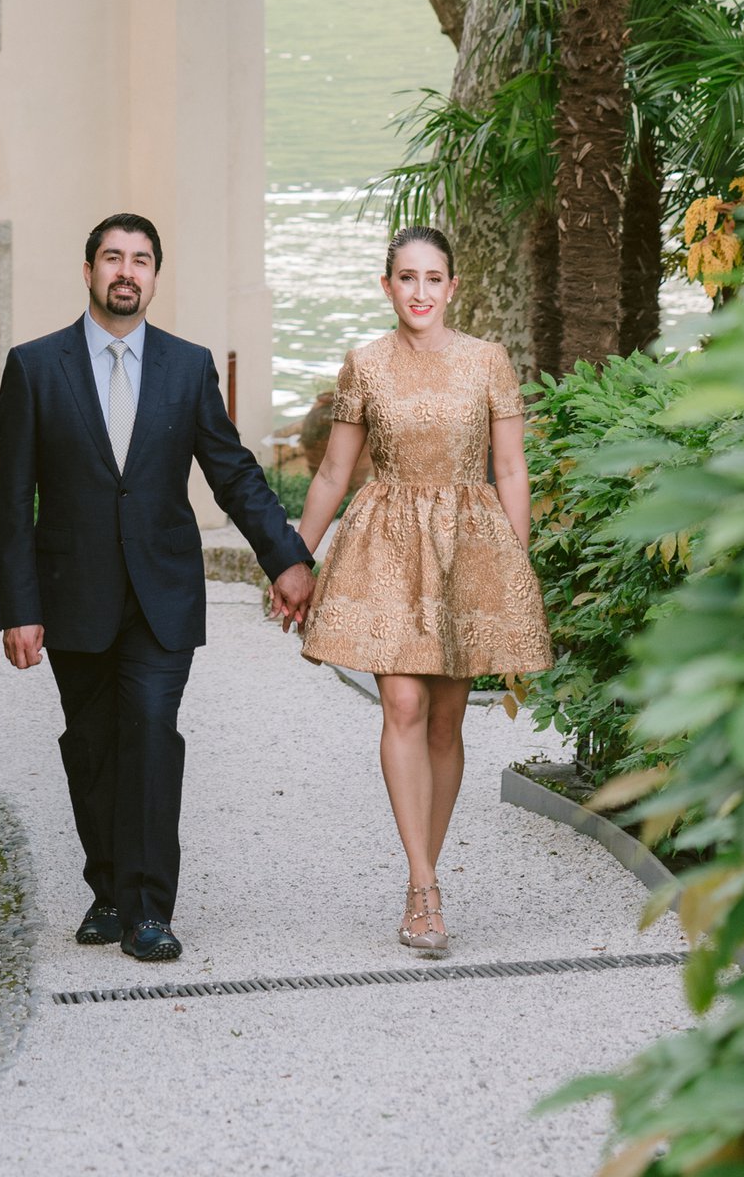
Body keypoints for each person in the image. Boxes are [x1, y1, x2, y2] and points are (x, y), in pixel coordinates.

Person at [0, 213, 315, 964]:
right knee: (93, 747)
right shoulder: (35, 367)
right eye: (113, 257)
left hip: (163, 594)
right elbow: (12, 502)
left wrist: (286, 558)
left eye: (140, 260)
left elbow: (232, 471)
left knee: (149, 735)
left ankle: (147, 910)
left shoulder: (187, 365)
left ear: (155, 277)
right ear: (89, 270)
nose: (126, 271)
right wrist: (20, 607)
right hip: (74, 594)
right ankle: (106, 887)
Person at [293, 224, 551, 957]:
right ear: (387, 286)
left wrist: (513, 569)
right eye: (406, 278)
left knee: (445, 723)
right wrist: (294, 559)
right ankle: (422, 887)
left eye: (433, 278)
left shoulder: (487, 361)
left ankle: (426, 872)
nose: (420, 292)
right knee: (401, 702)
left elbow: (511, 472)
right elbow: (334, 475)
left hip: (470, 544)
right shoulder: (365, 365)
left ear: (453, 286)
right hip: (386, 544)